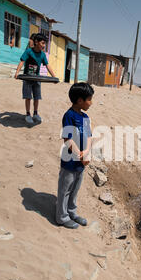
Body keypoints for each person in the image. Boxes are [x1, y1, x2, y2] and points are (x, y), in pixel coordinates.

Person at [56, 83, 94, 229]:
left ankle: (72, 212)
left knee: (75, 189)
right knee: (65, 189)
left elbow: (89, 136)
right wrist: (80, 155)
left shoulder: (85, 116)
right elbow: (67, 139)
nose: (91, 103)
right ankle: (61, 217)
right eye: (89, 99)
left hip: (81, 162)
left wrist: (87, 152)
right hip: (70, 161)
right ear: (80, 100)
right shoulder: (69, 116)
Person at [14, 33, 56, 124]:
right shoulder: (29, 51)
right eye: (43, 43)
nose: (44, 46)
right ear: (36, 42)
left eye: (45, 44)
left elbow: (47, 65)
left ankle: (35, 113)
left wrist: (54, 77)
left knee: (37, 97)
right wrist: (17, 72)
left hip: (36, 79)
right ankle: (28, 114)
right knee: (28, 97)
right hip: (27, 78)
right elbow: (22, 61)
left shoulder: (42, 55)